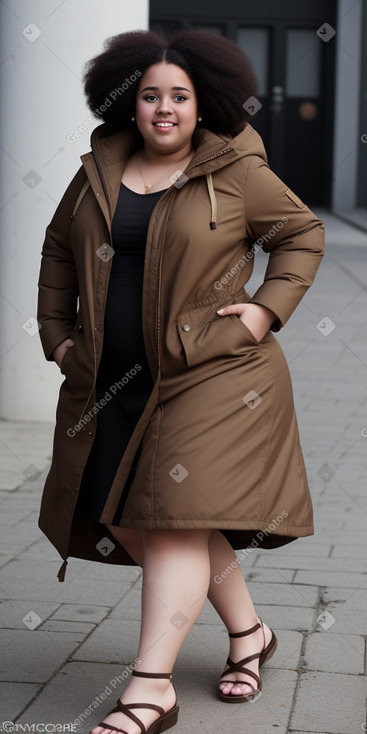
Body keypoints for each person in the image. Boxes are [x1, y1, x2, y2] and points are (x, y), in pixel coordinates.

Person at [37, 29, 324, 734]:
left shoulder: (236, 172)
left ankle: (150, 688)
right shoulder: (98, 169)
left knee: (167, 523)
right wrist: (56, 334)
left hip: (213, 375)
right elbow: (57, 247)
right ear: (128, 102)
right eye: (149, 96)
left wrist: (263, 310)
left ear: (205, 104)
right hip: (111, 377)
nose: (163, 109)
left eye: (179, 96)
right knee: (121, 513)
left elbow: (301, 233)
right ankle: (250, 635)